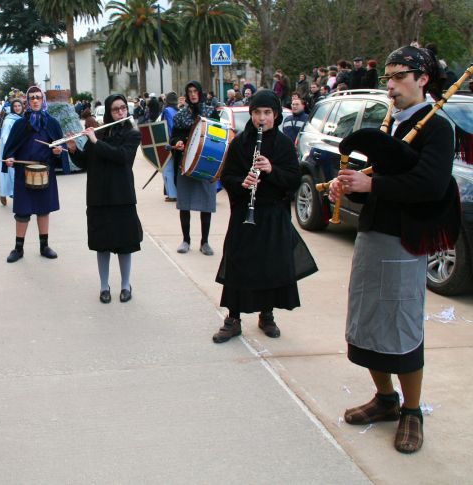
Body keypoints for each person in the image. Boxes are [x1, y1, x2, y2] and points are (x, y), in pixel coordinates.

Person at [328, 45, 453, 454]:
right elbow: (374, 189)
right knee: (367, 321)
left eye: (400, 77)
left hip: (405, 241)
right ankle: (385, 399)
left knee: (400, 324)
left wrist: (373, 184)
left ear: (423, 79)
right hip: (372, 235)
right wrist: (350, 186)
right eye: (389, 77)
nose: (392, 86)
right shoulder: (393, 125)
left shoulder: (437, 126)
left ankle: (412, 411)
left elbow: (429, 186)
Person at [213, 89, 315, 343]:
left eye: (267, 113)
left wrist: (271, 170)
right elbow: (227, 177)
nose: (261, 118)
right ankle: (233, 318)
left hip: (272, 215)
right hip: (244, 215)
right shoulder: (241, 143)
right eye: (257, 112)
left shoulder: (282, 145)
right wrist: (242, 183)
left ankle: (266, 315)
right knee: (239, 265)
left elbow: (293, 180)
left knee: (270, 267)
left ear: (276, 115)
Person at [67, 94, 142, 303]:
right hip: (99, 196)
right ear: (109, 112)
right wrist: (72, 150)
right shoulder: (99, 132)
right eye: (116, 109)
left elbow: (122, 157)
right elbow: (85, 162)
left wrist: (94, 142)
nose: (121, 112)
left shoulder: (132, 134)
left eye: (123, 108)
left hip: (122, 196)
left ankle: (126, 285)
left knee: (125, 243)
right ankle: (104, 286)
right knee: (102, 243)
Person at [2, 86, 66, 263]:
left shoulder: (52, 122)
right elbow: (10, 149)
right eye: (32, 98)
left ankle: (44, 246)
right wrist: (10, 158)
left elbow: (61, 145)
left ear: (43, 99)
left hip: (46, 171)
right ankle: (18, 248)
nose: (35, 100)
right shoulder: (20, 124)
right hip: (24, 173)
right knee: (22, 212)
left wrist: (58, 151)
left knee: (43, 210)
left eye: (38, 97)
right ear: (27, 102)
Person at [170, 81, 218, 256]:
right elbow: (173, 137)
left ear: (200, 92)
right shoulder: (180, 115)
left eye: (195, 91)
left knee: (206, 204)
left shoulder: (210, 112)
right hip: (186, 164)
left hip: (206, 163)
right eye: (190, 91)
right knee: (185, 204)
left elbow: (218, 134)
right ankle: (186, 240)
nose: (193, 94)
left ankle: (205, 242)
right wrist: (177, 142)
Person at [0, 98, 23, 206]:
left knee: (17, 173)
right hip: (10, 150)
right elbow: (5, 137)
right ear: (12, 108)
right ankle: (4, 193)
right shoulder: (9, 120)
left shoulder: (21, 118)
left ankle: (16, 195)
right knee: (9, 173)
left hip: (19, 149)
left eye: (19, 106)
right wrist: (12, 150)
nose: (17, 108)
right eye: (15, 106)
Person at [161, 91, 179, 202]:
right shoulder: (178, 110)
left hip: (169, 143)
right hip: (177, 142)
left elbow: (166, 127)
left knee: (168, 169)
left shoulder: (167, 111)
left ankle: (172, 194)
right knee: (173, 168)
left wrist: (168, 143)